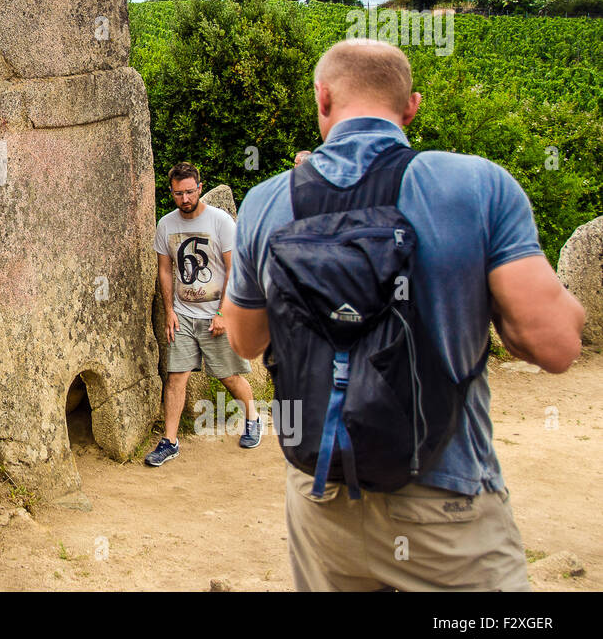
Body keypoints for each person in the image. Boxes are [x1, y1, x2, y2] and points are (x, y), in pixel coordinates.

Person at [220, 38, 585, 591]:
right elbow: (554, 345)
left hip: (323, 497)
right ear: (411, 106)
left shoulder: (266, 202)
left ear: (321, 99)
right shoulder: (479, 186)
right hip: (446, 500)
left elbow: (245, 341)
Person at [145, 162, 261, 467]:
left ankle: (252, 418)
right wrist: (169, 311)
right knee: (176, 377)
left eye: (189, 191)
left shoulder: (220, 222)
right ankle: (170, 441)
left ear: (199, 187)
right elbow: (165, 270)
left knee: (229, 376)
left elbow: (236, 270)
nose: (184, 198)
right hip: (183, 316)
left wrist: (223, 312)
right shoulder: (166, 225)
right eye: (178, 193)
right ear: (171, 192)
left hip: (216, 316)